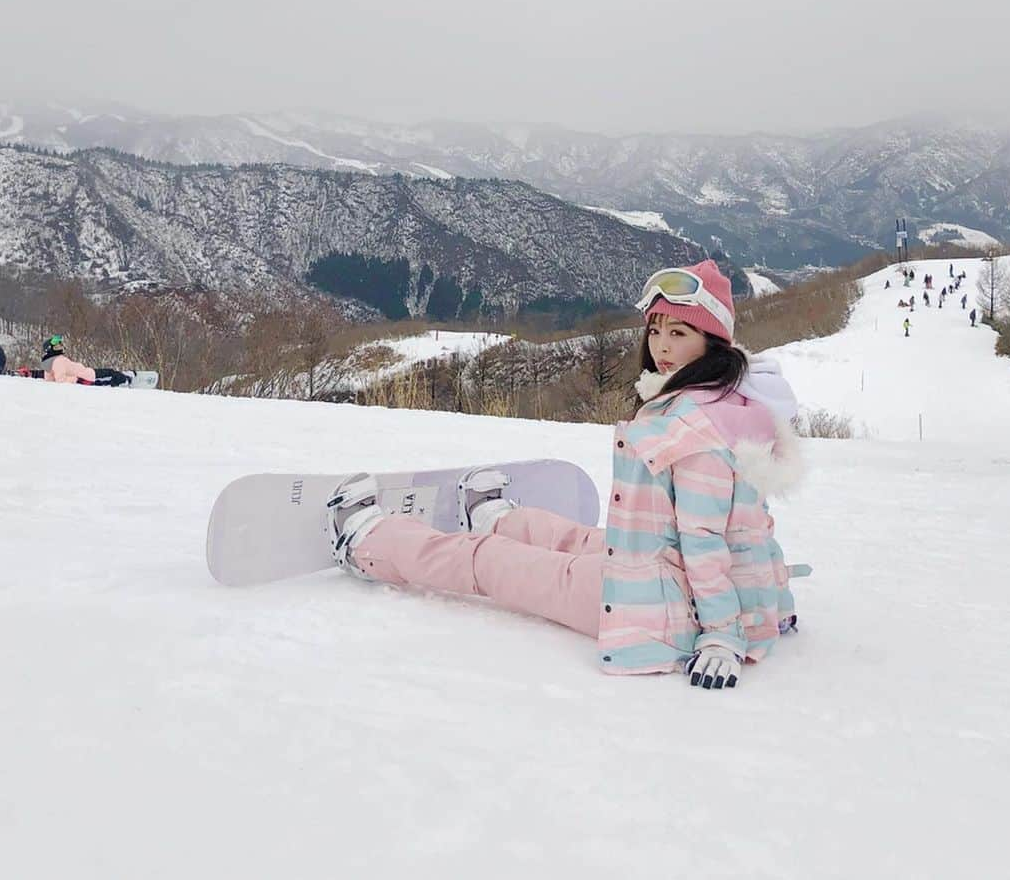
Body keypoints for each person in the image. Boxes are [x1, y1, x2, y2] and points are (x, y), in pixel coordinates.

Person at [326, 261, 805, 691]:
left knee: (489, 565)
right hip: (668, 573)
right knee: (578, 540)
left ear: (713, 341)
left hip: (659, 609)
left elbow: (705, 540)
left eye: (679, 334)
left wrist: (723, 637)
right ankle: (498, 520)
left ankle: (372, 543)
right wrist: (771, 605)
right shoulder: (740, 402)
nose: (660, 346)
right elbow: (748, 528)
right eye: (655, 330)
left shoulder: (693, 425)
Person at [36, 336, 131, 387]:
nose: (61, 345)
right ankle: (125, 380)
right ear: (50, 349)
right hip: (88, 377)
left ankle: (125, 376)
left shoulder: (49, 362)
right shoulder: (58, 361)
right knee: (111, 374)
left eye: (60, 343)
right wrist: (77, 380)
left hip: (87, 373)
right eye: (57, 345)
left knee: (109, 372)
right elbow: (60, 380)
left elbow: (50, 379)